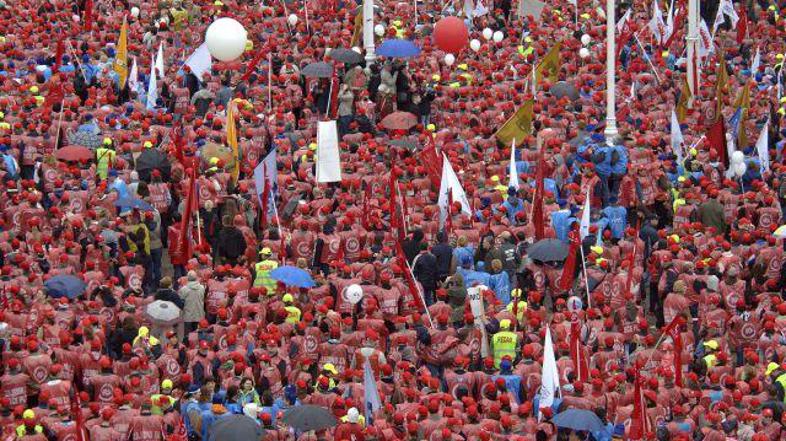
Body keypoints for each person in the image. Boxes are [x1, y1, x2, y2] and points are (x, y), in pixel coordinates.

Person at [178, 271, 205, 336]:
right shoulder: (202, 288)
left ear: (188, 278)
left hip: (188, 317)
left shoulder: (184, 289)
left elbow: (181, 302)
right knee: (197, 336)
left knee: (187, 336)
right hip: (199, 315)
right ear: (196, 278)